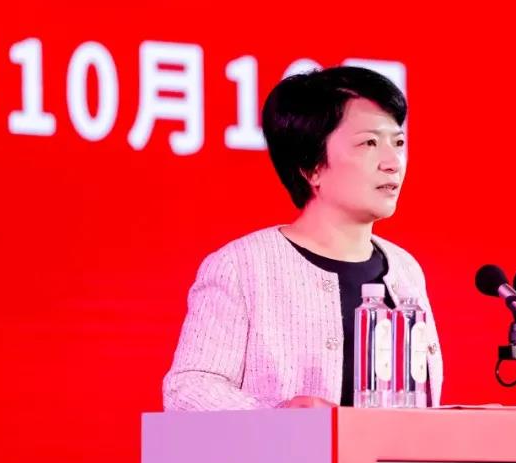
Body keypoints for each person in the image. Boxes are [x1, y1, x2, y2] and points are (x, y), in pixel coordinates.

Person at [163, 66, 443, 413]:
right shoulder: (243, 266)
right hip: (282, 451)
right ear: (312, 168)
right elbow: (188, 389)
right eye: (369, 143)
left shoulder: (405, 269)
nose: (392, 162)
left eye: (398, 142)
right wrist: (280, 416)